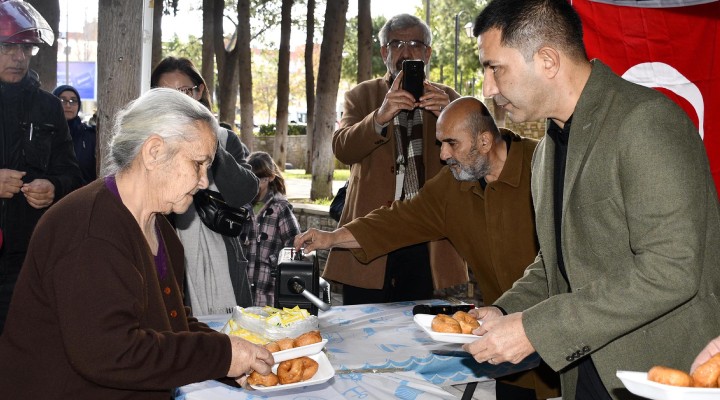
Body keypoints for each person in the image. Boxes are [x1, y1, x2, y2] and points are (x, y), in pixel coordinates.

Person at [463, 0, 720, 399]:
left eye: (495, 68)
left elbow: (671, 268)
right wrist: (505, 311)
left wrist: (537, 329)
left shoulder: (645, 121)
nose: (487, 88)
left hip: (661, 374)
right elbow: (558, 262)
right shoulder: (546, 151)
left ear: (547, 60)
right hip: (584, 373)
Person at [0, 88, 274, 398]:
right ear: (154, 151)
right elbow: (111, 353)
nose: (202, 182)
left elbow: (172, 324)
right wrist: (222, 355)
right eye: (198, 164)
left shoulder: (161, 229)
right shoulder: (90, 232)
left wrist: (238, 356)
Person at [294, 97, 559, 399]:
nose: (443, 154)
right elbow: (397, 220)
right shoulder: (451, 186)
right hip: (506, 347)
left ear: (484, 141)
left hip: (562, 337)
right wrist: (332, 238)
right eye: (440, 143)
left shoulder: (548, 164)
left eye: (451, 143)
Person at [327, 13, 467, 306]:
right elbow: (342, 149)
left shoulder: (449, 98)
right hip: (369, 234)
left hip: (425, 235)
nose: (406, 51)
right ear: (384, 52)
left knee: (418, 325)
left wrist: (451, 115)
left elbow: (474, 158)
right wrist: (379, 116)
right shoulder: (361, 96)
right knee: (361, 325)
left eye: (415, 43)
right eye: (396, 44)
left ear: (427, 52)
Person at [151, 56, 259, 314]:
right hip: (163, 256)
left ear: (199, 91)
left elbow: (244, 191)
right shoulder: (149, 144)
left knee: (232, 337)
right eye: (166, 94)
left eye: (184, 92)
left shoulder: (223, 139)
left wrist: (207, 144)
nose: (178, 102)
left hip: (222, 257)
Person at [0, 0, 83, 334]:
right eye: (7, 46)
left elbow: (72, 173)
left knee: (22, 349)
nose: (18, 57)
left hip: (27, 257)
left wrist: (54, 187)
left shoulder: (49, 107)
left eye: (26, 48)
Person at [241, 151, 301, 307]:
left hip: (269, 294)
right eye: (251, 178)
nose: (255, 184)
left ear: (270, 178)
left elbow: (296, 245)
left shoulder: (280, 209)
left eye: (260, 179)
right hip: (242, 293)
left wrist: (272, 261)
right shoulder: (240, 207)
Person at [53, 84, 97, 184]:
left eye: (73, 101)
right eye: (62, 100)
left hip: (84, 195)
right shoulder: (44, 134)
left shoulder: (89, 135)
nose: (68, 105)